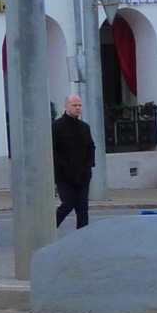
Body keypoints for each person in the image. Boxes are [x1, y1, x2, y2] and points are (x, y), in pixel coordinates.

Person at [53, 92, 95, 230]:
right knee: (68, 203)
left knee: (83, 209)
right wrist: (62, 165)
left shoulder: (84, 127)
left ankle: (82, 238)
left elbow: (91, 147)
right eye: (74, 105)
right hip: (64, 176)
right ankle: (50, 229)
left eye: (80, 105)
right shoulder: (57, 126)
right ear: (66, 106)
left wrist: (89, 164)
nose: (78, 108)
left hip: (82, 174)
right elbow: (52, 150)